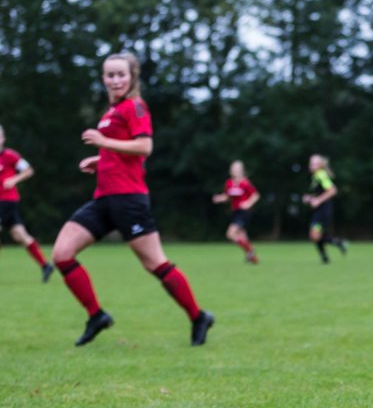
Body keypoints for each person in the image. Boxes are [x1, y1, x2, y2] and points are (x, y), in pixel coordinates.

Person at [51, 53, 215, 347]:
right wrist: (100, 160)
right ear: (103, 78)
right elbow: (121, 152)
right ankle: (96, 315)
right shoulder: (111, 112)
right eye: (109, 75)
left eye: (120, 75)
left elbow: (144, 147)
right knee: (62, 254)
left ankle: (198, 316)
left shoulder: (135, 106)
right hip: (103, 200)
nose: (115, 80)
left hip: (129, 200)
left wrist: (103, 144)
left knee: (155, 264)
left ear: (132, 77)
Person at [0, 124, 55, 282]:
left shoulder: (11, 156)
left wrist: (14, 179)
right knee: (20, 235)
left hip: (7, 201)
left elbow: (28, 170)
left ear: (3, 138)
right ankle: (45, 265)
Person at [212, 160, 260, 263]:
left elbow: (256, 195)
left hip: (244, 213)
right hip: (235, 212)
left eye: (237, 169)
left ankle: (250, 250)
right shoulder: (229, 183)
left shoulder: (245, 183)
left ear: (242, 170)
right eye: (233, 169)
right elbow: (228, 197)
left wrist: (248, 203)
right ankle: (252, 257)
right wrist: (220, 198)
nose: (235, 171)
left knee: (230, 234)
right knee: (242, 236)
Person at [303, 154, 347, 264]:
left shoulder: (321, 175)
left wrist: (318, 201)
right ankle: (333, 248)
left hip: (323, 211)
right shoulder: (315, 176)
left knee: (315, 235)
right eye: (311, 163)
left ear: (320, 165)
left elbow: (332, 190)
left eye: (314, 163)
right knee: (316, 236)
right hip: (319, 210)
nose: (311, 165)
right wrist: (310, 198)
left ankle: (336, 245)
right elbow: (320, 193)